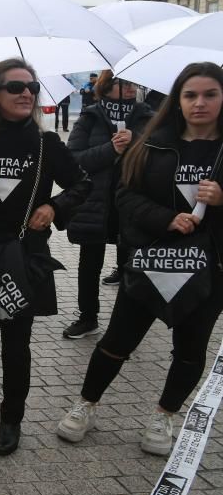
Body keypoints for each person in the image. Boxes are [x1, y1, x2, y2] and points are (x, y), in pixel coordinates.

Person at [56, 62, 223, 456]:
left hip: (209, 268)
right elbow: (126, 196)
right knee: (117, 340)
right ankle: (87, 403)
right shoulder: (154, 141)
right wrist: (167, 218)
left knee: (190, 348)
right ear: (177, 100)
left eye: (210, 94)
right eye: (190, 95)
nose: (200, 103)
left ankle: (165, 414)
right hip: (152, 261)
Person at [0, 58, 90, 456]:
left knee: (17, 347)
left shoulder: (46, 144)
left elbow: (82, 184)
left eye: (33, 87)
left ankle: (11, 420)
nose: (27, 93)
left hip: (24, 255)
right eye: (15, 87)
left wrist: (55, 207)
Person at [63, 72, 155, 339]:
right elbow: (74, 160)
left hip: (132, 204)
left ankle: (126, 323)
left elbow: (159, 158)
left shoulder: (147, 117)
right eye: (122, 83)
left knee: (131, 265)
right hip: (96, 204)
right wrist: (111, 149)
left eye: (132, 82)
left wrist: (134, 143)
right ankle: (87, 317)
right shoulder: (91, 117)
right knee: (89, 264)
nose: (130, 87)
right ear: (106, 87)